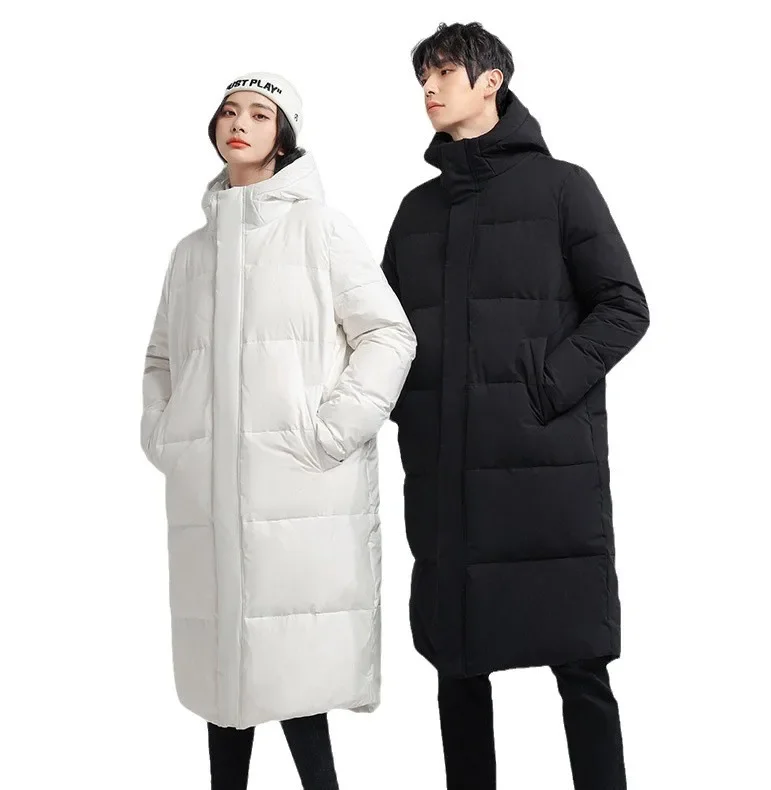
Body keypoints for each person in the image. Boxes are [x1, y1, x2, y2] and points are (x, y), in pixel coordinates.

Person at [380, 23, 650, 790]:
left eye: (443, 73)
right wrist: (408, 408)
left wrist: (546, 385)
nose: (429, 90)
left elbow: (624, 307)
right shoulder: (418, 210)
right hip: (446, 468)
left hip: (546, 468)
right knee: (458, 663)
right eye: (422, 78)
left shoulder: (563, 188)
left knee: (580, 664)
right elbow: (383, 334)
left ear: (490, 80)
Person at [139, 70, 417, 790]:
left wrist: (330, 432)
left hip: (300, 486)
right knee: (224, 684)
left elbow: (388, 334)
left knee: (294, 679)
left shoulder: (320, 228)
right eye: (230, 111)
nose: (240, 123)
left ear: (283, 136)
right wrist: (167, 437)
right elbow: (162, 359)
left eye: (260, 114)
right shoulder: (191, 252)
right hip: (208, 492)